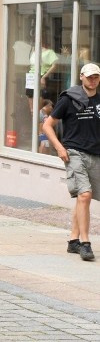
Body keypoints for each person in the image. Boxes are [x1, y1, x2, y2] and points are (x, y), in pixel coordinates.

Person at [42, 63, 100, 262]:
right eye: (90, 77)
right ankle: (85, 243)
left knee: (82, 199)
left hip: (96, 154)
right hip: (74, 153)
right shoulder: (69, 99)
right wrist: (59, 147)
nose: (93, 80)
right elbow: (47, 125)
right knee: (84, 195)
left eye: (96, 77)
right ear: (82, 77)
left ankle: (73, 241)